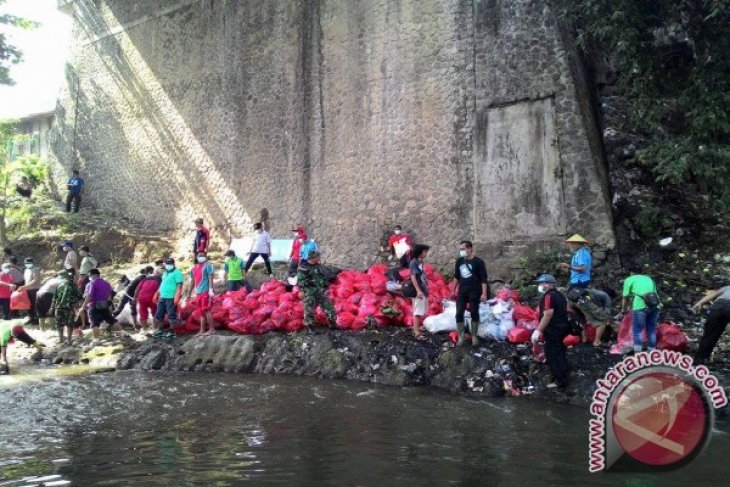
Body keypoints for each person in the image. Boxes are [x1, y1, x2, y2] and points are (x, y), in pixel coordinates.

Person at [531, 274, 570, 389]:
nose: (540, 286)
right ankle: (562, 377)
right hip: (562, 328)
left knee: (552, 354)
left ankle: (560, 382)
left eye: (541, 283)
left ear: (548, 284)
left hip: (553, 330)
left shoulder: (549, 296)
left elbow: (548, 314)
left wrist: (538, 330)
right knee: (559, 352)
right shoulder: (560, 295)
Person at [453, 240, 488, 347]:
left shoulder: (478, 262)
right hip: (462, 291)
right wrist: (452, 290)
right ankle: (461, 336)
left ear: (470, 249)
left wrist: (484, 294)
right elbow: (456, 277)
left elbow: (483, 279)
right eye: (460, 249)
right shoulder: (459, 261)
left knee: (474, 312)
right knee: (459, 313)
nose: (461, 251)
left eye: (463, 249)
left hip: (475, 290)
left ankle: (474, 336)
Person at [621, 264, 660, 353]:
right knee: (651, 329)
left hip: (640, 306)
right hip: (655, 306)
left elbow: (625, 297)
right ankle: (651, 352)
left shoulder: (629, 279)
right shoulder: (649, 279)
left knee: (637, 329)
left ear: (631, 272)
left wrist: (623, 309)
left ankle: (638, 353)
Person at [297, 250, 336, 332]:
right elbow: (301, 281)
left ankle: (332, 324)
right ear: (313, 258)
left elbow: (322, 277)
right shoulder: (304, 268)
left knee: (329, 306)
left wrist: (325, 285)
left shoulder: (318, 266)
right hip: (309, 292)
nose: (319, 258)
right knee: (309, 310)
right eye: (318, 257)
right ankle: (310, 328)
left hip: (320, 291)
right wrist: (302, 290)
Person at [78, 269, 122, 339]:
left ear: (93, 275)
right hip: (105, 305)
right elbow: (109, 297)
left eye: (90, 275)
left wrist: (83, 307)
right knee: (112, 320)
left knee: (94, 323)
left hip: (94, 306)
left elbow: (89, 296)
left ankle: (96, 340)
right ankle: (122, 334)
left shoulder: (92, 283)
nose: (89, 277)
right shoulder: (107, 283)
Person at [692, 285, 730, 364]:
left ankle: (700, 359)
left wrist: (699, 303)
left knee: (710, 334)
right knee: (715, 334)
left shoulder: (727, 287)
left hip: (717, 307)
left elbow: (712, 295)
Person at [186, 251, 216, 335]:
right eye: (199, 255)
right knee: (201, 312)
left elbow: (210, 278)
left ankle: (211, 329)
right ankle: (202, 330)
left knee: (206, 310)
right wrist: (189, 293)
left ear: (206, 257)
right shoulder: (193, 268)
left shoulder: (208, 266)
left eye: (203, 255)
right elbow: (193, 281)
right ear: (196, 257)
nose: (201, 257)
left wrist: (210, 289)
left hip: (206, 291)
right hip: (198, 292)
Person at [153, 257, 184, 335]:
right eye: (167, 264)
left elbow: (179, 286)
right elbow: (162, 284)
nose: (168, 265)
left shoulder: (177, 273)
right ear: (165, 264)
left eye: (170, 264)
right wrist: (157, 293)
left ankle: (172, 331)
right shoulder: (165, 272)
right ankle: (160, 329)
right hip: (162, 296)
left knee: (171, 315)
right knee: (159, 314)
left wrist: (177, 296)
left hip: (171, 297)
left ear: (173, 264)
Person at [52, 271, 82, 345]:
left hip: (58, 308)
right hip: (69, 308)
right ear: (71, 278)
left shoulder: (59, 286)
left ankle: (61, 339)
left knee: (59, 324)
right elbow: (80, 296)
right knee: (69, 324)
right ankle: (69, 340)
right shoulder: (73, 285)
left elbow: (54, 298)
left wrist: (51, 308)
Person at [409, 244, 430, 341]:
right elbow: (413, 277)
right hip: (419, 291)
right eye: (425, 251)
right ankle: (416, 332)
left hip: (423, 290)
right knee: (417, 312)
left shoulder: (420, 262)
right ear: (420, 252)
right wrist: (418, 291)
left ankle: (417, 328)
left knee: (421, 311)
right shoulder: (414, 263)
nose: (426, 253)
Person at [17, 257, 41, 326]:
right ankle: (31, 318)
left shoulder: (35, 270)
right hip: (27, 290)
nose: (28, 264)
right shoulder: (26, 270)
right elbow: (25, 280)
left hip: (34, 290)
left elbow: (35, 280)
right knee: (28, 305)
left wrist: (24, 287)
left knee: (34, 305)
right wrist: (23, 287)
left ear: (33, 263)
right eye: (26, 263)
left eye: (29, 263)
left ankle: (36, 319)